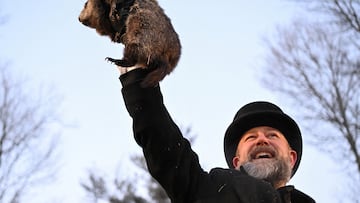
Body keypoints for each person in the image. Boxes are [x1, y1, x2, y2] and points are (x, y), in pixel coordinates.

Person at [118, 67, 315, 203]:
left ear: (291, 158)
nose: (262, 140)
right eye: (251, 138)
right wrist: (139, 78)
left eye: (272, 135)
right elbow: (165, 147)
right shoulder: (209, 189)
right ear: (237, 162)